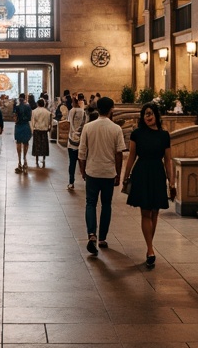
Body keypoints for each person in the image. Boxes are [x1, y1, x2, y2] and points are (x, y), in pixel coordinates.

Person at [122, 103, 175, 268]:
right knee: (146, 212)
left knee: (155, 213)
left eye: (150, 114)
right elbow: (131, 156)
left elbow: (168, 160)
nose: (148, 117)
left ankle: (149, 246)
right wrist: (126, 176)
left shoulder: (164, 135)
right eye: (145, 114)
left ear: (156, 115)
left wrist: (171, 181)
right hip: (142, 172)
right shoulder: (137, 134)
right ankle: (150, 249)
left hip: (158, 173)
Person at [78, 96, 127, 256]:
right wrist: (118, 174)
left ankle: (92, 234)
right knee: (106, 205)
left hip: (92, 171)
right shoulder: (116, 129)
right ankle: (102, 238)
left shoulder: (88, 127)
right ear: (111, 109)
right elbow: (119, 153)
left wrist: (82, 170)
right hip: (108, 172)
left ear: (97, 109)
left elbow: (82, 152)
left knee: (90, 203)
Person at [65, 95, 87, 190]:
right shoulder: (83, 112)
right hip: (81, 140)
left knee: (72, 163)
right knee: (83, 161)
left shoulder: (72, 111)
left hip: (72, 140)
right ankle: (85, 179)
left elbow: (69, 123)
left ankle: (71, 182)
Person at [13, 92, 32, 173]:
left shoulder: (16, 107)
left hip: (18, 126)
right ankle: (25, 159)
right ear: (25, 98)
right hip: (26, 126)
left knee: (18, 143)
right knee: (26, 143)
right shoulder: (28, 107)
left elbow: (14, 118)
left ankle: (19, 161)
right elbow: (30, 118)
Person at [31, 95, 52, 168]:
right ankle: (43, 159)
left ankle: (36, 160)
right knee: (44, 145)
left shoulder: (34, 111)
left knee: (37, 145)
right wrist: (49, 128)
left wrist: (32, 129)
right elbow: (50, 122)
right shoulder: (47, 112)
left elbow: (33, 121)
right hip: (44, 130)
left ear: (37, 104)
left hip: (37, 130)